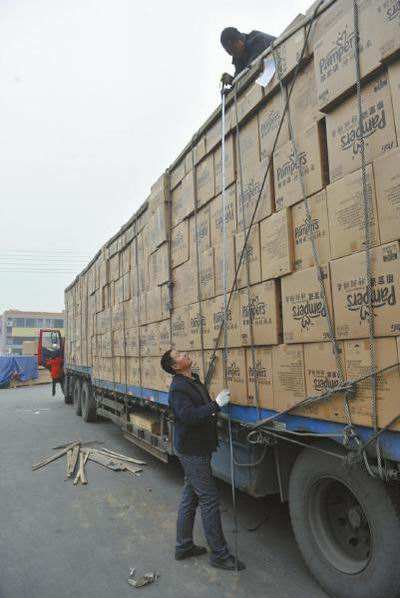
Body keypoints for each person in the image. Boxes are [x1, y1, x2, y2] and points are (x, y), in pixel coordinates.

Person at [161, 348, 246, 571]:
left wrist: (214, 407)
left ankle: (184, 546)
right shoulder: (178, 388)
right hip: (192, 451)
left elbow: (201, 409)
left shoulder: (193, 381)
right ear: (175, 367)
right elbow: (188, 416)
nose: (185, 354)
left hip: (199, 447)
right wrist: (216, 404)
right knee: (209, 499)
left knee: (190, 495)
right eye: (179, 354)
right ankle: (219, 555)